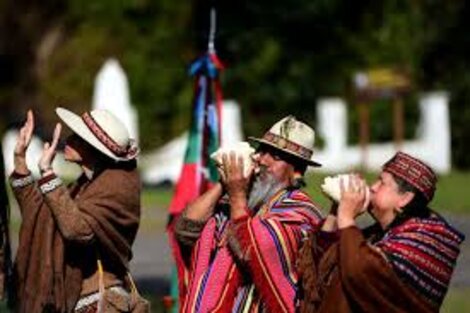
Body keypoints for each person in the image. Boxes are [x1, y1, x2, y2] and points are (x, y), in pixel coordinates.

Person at [169, 115, 324, 312]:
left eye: (275, 156)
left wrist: (236, 196)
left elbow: (250, 254)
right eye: (261, 151)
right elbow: (185, 230)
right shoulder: (240, 201)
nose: (261, 159)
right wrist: (224, 185)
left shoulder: (300, 213)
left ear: (297, 173)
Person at [297, 152, 465, 313]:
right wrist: (336, 212)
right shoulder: (379, 235)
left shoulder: (423, 245)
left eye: (381, 182)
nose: (373, 187)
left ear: (404, 198)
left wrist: (347, 217)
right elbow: (326, 262)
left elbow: (358, 273)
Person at [9, 108, 141, 312]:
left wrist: (48, 173)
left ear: (93, 149)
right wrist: (20, 160)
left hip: (99, 301)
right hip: (77, 300)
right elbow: (42, 214)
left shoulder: (118, 185)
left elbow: (78, 230)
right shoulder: (86, 184)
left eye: (78, 138)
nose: (67, 140)